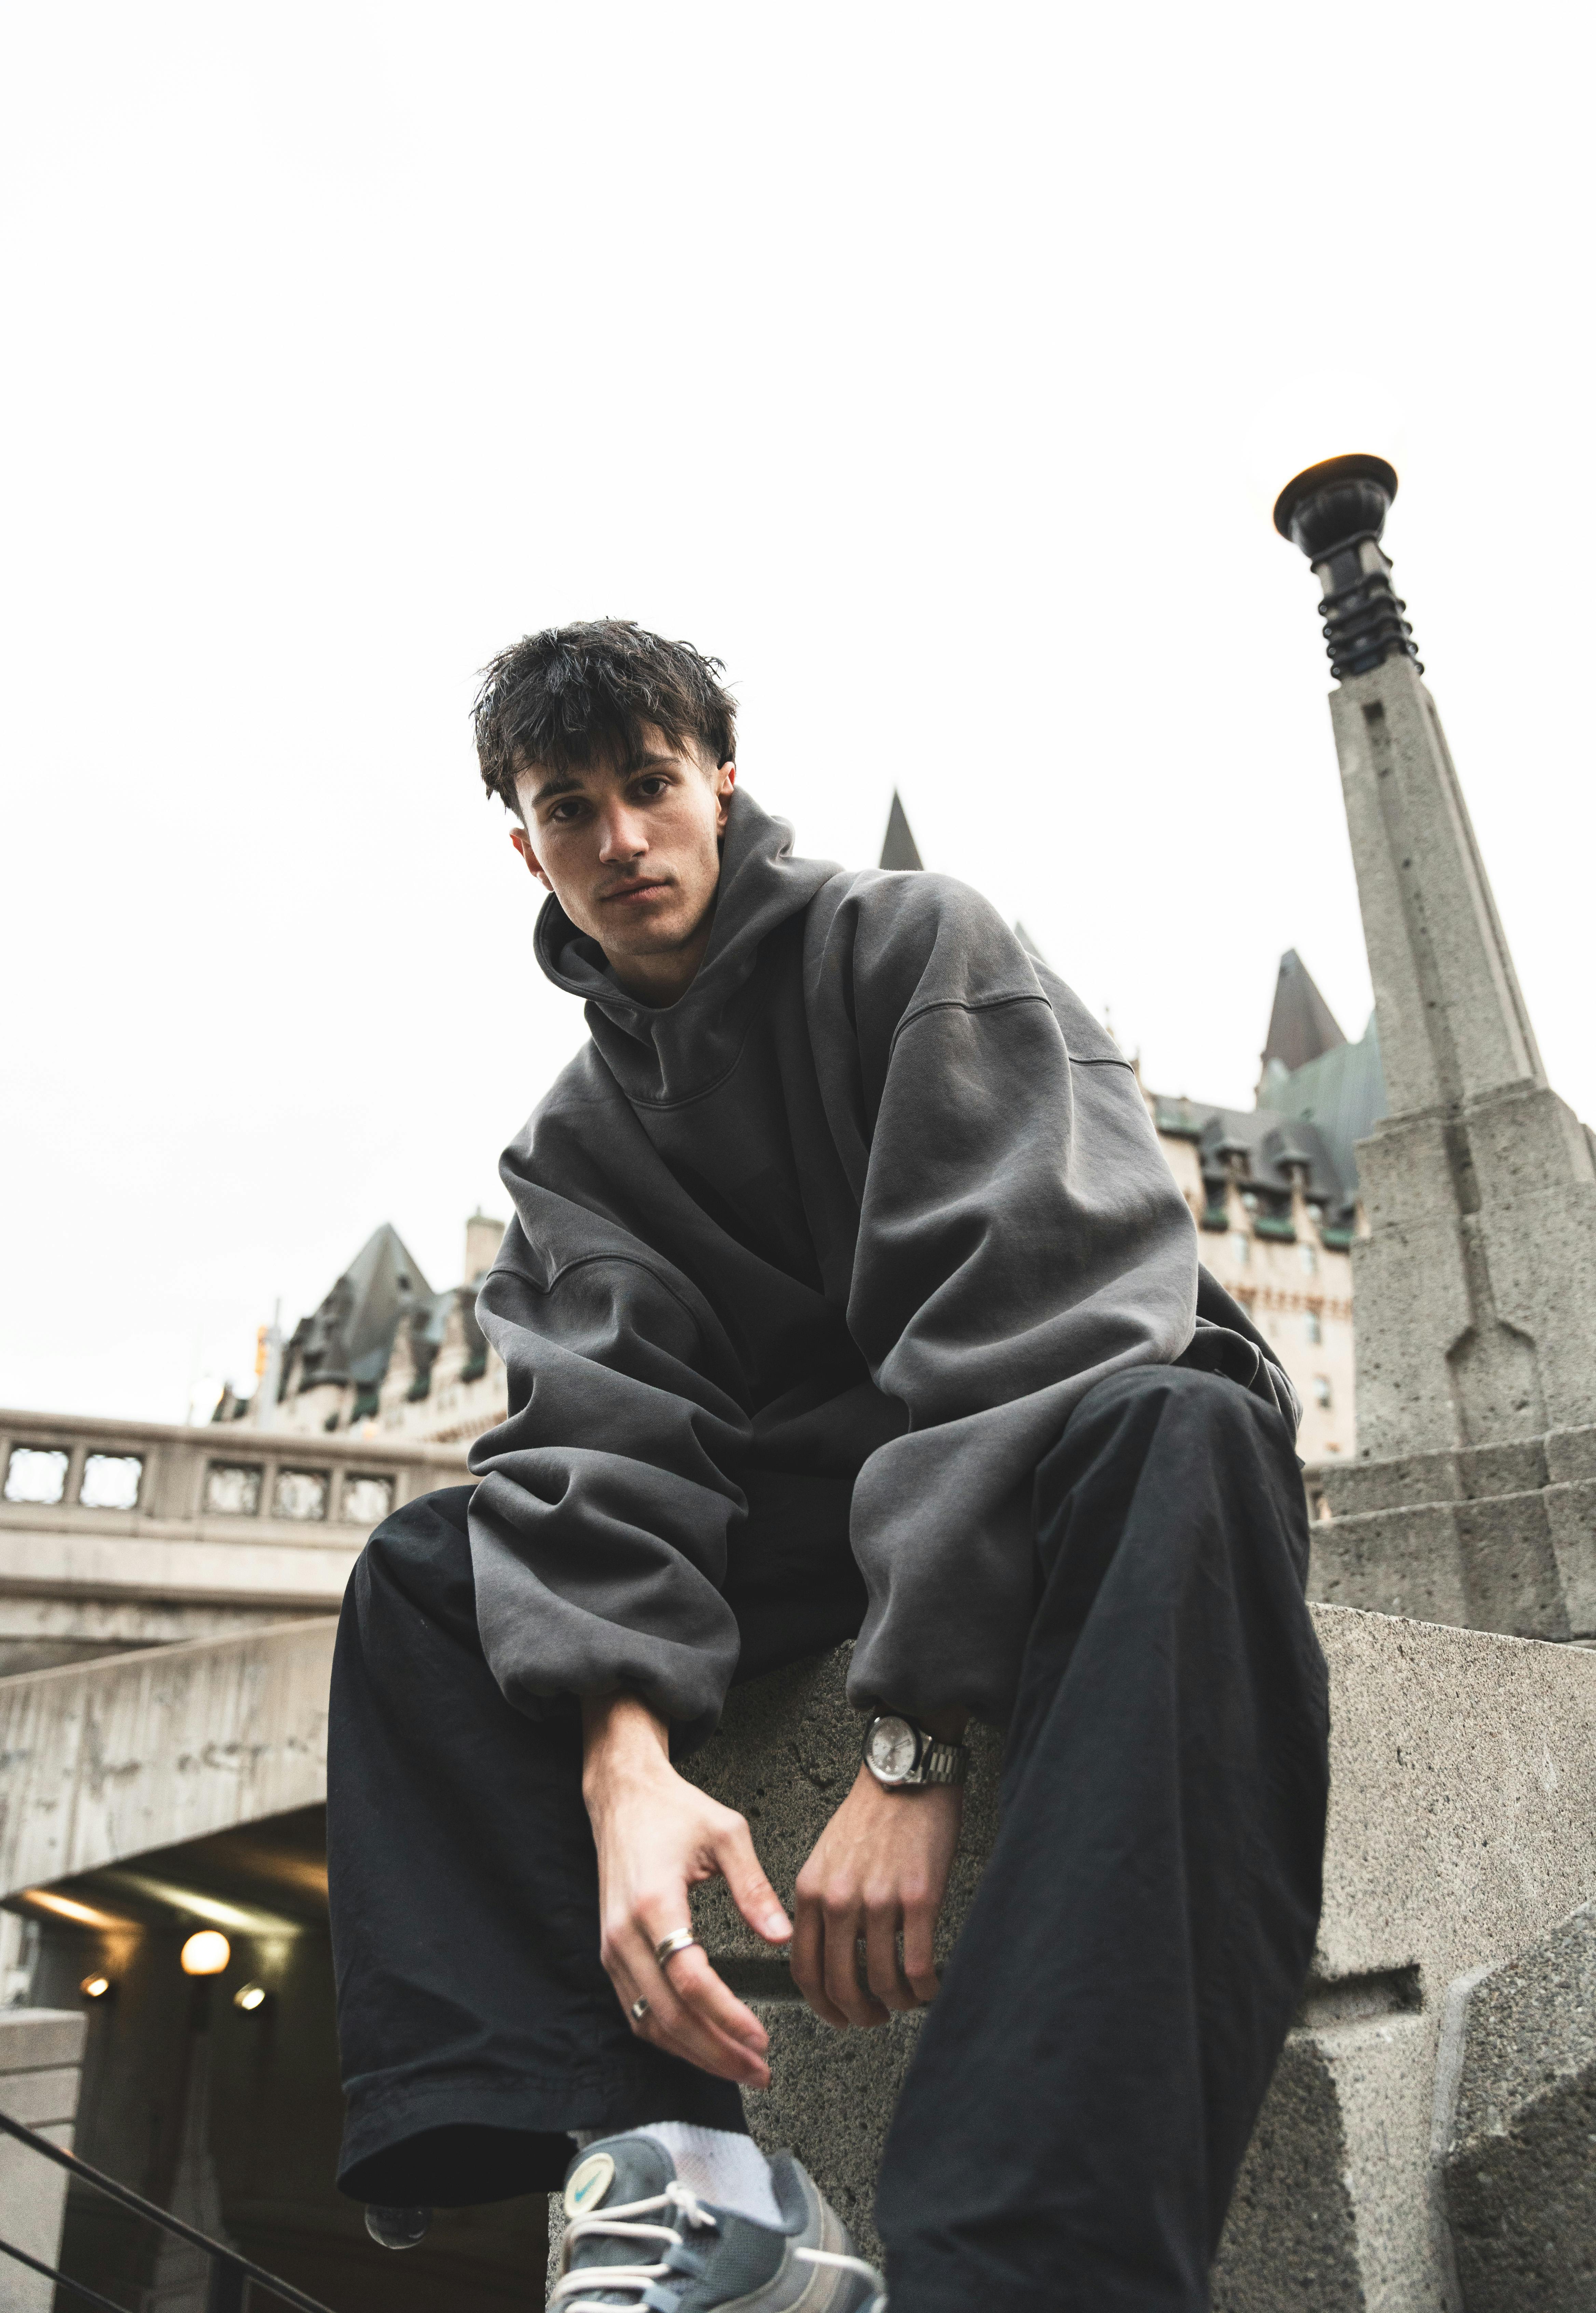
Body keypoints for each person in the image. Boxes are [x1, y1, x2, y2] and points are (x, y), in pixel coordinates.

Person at [327, 620, 1329, 2313]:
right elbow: (597, 1444)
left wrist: (914, 1737)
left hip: (1044, 1459)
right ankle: (688, 2187)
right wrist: (622, 1760)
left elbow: (1037, 1318)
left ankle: (1029, 2257)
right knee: (425, 1576)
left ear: (722, 782)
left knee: (1188, 1431)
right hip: (810, 1523)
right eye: (569, 810)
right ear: (524, 846)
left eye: (650, 786)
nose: (620, 840)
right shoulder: (571, 1142)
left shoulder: (914, 945)